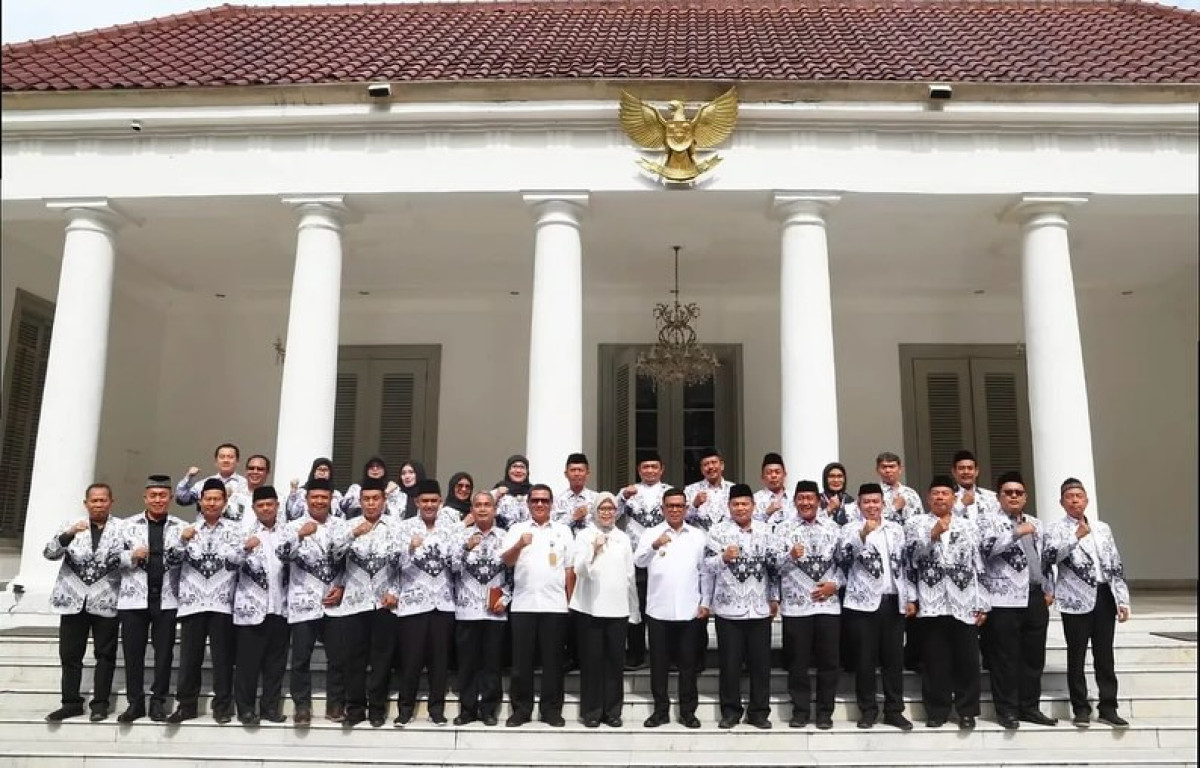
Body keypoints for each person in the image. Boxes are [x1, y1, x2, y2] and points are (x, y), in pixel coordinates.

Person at [1044, 478, 1132, 729]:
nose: (1075, 501)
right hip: (1074, 597)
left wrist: (1122, 598)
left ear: (1086, 500)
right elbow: (1049, 557)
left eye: (1079, 496)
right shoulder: (1056, 529)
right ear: (1062, 502)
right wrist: (1074, 538)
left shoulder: (1102, 528)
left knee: (1105, 655)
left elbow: (1115, 563)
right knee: (1077, 654)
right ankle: (1080, 708)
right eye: (1069, 497)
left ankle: (1108, 707)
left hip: (1104, 594)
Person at [904, 475, 989, 730]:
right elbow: (910, 561)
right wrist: (931, 536)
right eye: (935, 493)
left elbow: (978, 565)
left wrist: (982, 601)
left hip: (963, 600)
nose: (940, 497)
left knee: (967, 659)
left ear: (954, 498)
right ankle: (937, 710)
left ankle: (966, 710)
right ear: (929, 498)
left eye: (945, 493)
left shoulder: (968, 526)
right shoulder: (916, 523)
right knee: (934, 659)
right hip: (932, 600)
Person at [978, 471, 1056, 729]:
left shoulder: (1036, 522)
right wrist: (1014, 533)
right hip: (1003, 600)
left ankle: (1030, 707)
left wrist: (1048, 587)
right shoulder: (989, 521)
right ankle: (1007, 710)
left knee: (1033, 658)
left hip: (1034, 597)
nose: (1013, 496)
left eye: (1018, 493)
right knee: (1005, 658)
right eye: (1008, 492)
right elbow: (985, 550)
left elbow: (1044, 558)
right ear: (999, 496)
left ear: (1025, 497)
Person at [44, 483, 125, 722]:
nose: (98, 505)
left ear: (111, 502)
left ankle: (100, 704)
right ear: (86, 503)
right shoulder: (70, 526)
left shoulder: (123, 528)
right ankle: (70, 702)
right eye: (94, 501)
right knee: (70, 654)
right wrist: (68, 534)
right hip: (72, 599)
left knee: (105, 655)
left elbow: (132, 558)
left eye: (103, 500)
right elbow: (49, 553)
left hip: (106, 599)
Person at [702, 483, 781, 730]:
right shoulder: (717, 532)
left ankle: (759, 712)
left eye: (745, 503)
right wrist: (723, 558)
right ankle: (730, 711)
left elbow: (774, 568)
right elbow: (706, 566)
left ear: (753, 506)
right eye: (735, 504)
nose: (740, 508)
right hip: (728, 608)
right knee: (730, 663)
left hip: (758, 607)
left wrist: (774, 597)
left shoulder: (767, 531)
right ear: (729, 506)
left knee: (760, 664)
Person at [328, 476, 403, 727]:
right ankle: (355, 708)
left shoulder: (395, 526)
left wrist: (395, 592)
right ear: (360, 501)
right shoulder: (347, 525)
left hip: (383, 602)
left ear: (384, 501)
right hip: (354, 601)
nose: (371, 504)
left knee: (382, 659)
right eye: (366, 499)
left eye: (375, 499)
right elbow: (333, 554)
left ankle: (377, 709)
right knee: (353, 658)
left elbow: (402, 564)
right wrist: (352, 534)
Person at [840, 483, 913, 730]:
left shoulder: (896, 529)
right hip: (861, 605)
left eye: (875, 501)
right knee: (865, 660)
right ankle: (868, 710)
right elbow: (843, 558)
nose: (871, 506)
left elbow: (905, 565)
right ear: (859, 505)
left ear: (883, 503)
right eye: (866, 502)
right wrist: (863, 535)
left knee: (893, 660)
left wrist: (910, 597)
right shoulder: (850, 529)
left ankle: (894, 710)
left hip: (893, 602)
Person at [501, 483, 574, 727]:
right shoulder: (517, 529)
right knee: (522, 663)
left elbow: (569, 569)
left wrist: (570, 601)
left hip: (555, 605)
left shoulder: (563, 530)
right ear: (529, 504)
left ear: (551, 504)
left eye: (544, 500)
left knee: (553, 663)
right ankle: (521, 710)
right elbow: (507, 562)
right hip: (524, 605)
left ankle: (551, 710)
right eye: (536, 501)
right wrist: (520, 544)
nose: (540, 504)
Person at [170, 478, 242, 724]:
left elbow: (238, 561)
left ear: (225, 501)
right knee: (190, 657)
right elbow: (170, 560)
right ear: (200, 502)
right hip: (193, 602)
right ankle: (186, 705)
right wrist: (182, 540)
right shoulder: (187, 529)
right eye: (208, 499)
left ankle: (222, 706)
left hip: (223, 602)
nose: (212, 503)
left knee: (223, 657)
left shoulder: (235, 531)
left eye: (217, 499)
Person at [634, 488, 706, 729]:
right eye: (670, 506)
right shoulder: (652, 533)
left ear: (686, 509)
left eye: (679, 506)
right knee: (659, 663)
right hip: (659, 609)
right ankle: (660, 710)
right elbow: (638, 561)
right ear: (662, 509)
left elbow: (704, 571)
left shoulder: (697, 535)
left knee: (688, 664)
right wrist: (654, 545)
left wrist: (705, 602)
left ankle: (688, 711)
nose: (675, 510)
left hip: (688, 609)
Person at [116, 475, 186, 723]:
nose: (158, 500)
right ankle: (135, 703)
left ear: (170, 498)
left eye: (163, 495)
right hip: (134, 599)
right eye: (153, 496)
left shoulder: (181, 527)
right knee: (133, 653)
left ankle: (159, 702)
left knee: (164, 654)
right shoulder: (125, 525)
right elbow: (108, 558)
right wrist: (131, 556)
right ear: (145, 498)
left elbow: (188, 560)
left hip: (167, 599)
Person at [277, 477, 346, 725]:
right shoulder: (292, 525)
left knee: (338, 657)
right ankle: (302, 706)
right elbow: (282, 555)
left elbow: (347, 561)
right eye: (314, 497)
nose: (319, 501)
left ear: (330, 500)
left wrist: (342, 586)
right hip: (303, 600)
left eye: (323, 498)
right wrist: (299, 535)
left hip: (333, 601)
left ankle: (336, 704)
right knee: (301, 659)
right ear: (306, 500)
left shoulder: (340, 525)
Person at [774, 480, 842, 729]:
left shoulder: (834, 529)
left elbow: (845, 565)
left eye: (810, 498)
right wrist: (789, 555)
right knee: (798, 662)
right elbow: (774, 567)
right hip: (796, 606)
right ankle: (800, 710)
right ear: (794, 502)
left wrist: (834, 584)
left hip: (828, 605)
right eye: (801, 498)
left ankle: (825, 712)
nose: (805, 502)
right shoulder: (782, 530)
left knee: (829, 662)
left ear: (819, 501)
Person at [393, 478, 458, 726]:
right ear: (417, 502)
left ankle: (437, 709)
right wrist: (409, 548)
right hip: (413, 603)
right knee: (411, 660)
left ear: (440, 502)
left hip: (443, 603)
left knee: (439, 661)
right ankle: (405, 709)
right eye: (425, 501)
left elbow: (456, 564)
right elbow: (394, 563)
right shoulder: (404, 528)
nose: (429, 505)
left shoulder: (451, 529)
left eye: (434, 500)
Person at [571, 493, 639, 728]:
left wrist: (634, 610)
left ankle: (612, 711)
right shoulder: (584, 536)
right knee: (592, 662)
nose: (607, 513)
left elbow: (630, 575)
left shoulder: (623, 538)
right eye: (603, 508)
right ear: (595, 511)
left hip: (618, 609)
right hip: (590, 608)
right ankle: (591, 711)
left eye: (611, 509)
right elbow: (580, 569)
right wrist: (594, 549)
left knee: (614, 663)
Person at [231, 485, 290, 725]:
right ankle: (245, 709)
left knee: (275, 663)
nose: (265, 509)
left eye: (270, 504)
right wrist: (246, 547)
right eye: (260, 505)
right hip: (250, 608)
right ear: (254, 508)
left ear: (277, 505)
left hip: (280, 606)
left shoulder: (287, 532)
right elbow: (229, 561)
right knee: (247, 663)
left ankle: (270, 708)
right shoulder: (241, 532)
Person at [450, 490, 509, 726]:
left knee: (492, 663)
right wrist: (465, 547)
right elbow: (451, 568)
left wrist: (506, 598)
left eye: (487, 505)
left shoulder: (505, 537)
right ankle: (467, 709)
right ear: (471, 510)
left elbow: (513, 573)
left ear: (494, 510)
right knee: (467, 663)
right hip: (467, 609)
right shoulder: (460, 536)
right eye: (478, 505)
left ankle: (488, 710)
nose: (483, 509)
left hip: (495, 611)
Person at [618, 450, 670, 671]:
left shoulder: (669, 492)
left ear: (661, 469)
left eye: (654, 466)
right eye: (645, 467)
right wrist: (621, 497)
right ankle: (636, 654)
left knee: (663, 604)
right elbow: (612, 513)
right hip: (635, 557)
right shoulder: (629, 492)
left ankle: (665, 655)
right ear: (639, 470)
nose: (650, 470)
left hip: (662, 556)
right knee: (636, 605)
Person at [175, 443, 249, 520]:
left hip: (237, 530)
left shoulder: (246, 485)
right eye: (222, 457)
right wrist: (188, 477)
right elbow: (182, 498)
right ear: (216, 461)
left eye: (230, 457)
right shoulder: (203, 484)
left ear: (237, 461)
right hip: (205, 530)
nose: (226, 460)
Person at [684, 447, 733, 530]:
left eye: (714, 462)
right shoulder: (690, 490)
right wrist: (694, 505)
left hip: (728, 540)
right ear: (701, 469)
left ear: (722, 465)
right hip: (700, 540)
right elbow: (682, 518)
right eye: (706, 464)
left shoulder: (733, 489)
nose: (710, 467)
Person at [553, 452, 599, 533]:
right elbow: (553, 527)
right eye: (573, 470)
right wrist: (573, 517)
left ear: (587, 474)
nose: (577, 474)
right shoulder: (557, 500)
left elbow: (603, 524)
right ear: (566, 474)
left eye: (580, 470)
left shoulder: (597, 499)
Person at [286, 457, 343, 521]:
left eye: (325, 470)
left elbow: (341, 515)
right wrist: (293, 492)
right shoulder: (302, 492)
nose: (322, 472)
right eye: (319, 469)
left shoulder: (336, 495)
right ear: (314, 472)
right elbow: (291, 513)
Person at [875, 451, 924, 523]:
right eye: (884, 467)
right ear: (877, 470)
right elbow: (869, 521)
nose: (888, 470)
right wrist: (894, 508)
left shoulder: (911, 493)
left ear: (900, 469)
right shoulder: (873, 494)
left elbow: (920, 520)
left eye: (892, 467)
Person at [951, 450, 1001, 519]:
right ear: (954, 472)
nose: (966, 472)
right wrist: (961, 505)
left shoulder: (991, 497)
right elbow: (940, 521)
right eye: (961, 468)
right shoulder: (946, 497)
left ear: (976, 471)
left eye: (970, 468)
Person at [494, 454, 532, 528]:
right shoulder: (498, 491)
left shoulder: (533, 492)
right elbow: (486, 513)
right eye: (514, 467)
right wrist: (496, 497)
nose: (518, 471)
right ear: (508, 470)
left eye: (522, 467)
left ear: (527, 471)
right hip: (503, 536)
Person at [753, 452, 790, 524]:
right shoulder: (754, 499)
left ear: (784, 475)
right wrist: (767, 513)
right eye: (769, 472)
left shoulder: (794, 498)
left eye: (777, 472)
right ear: (762, 477)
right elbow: (750, 524)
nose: (773, 476)